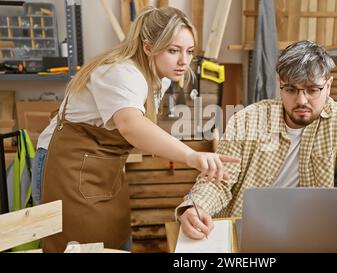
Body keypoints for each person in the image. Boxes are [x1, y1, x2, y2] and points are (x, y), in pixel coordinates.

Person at [31, 6, 239, 252]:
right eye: (173, 50)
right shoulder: (120, 72)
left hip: (103, 169)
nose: (184, 60)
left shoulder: (157, 76)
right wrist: (191, 156)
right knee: (75, 246)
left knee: (115, 239)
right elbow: (131, 125)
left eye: (189, 51)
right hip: (66, 165)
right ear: (148, 47)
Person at [176, 40, 337, 240]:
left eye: (312, 90)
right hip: (244, 226)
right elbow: (218, 181)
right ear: (279, 83)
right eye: (291, 89)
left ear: (328, 85)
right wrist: (195, 207)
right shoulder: (247, 119)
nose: (301, 100)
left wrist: (328, 208)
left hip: (307, 230)